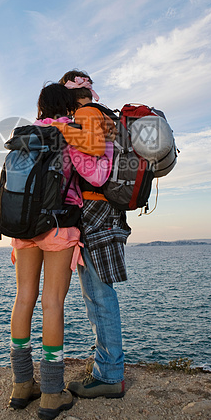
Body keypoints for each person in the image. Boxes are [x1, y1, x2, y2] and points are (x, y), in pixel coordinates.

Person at [9, 83, 113, 420]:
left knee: (24, 298)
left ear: (40, 106)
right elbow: (94, 175)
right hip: (58, 225)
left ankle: (22, 386)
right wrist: (104, 139)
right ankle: (52, 394)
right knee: (53, 303)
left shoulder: (25, 133)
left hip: (22, 225)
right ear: (67, 106)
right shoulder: (70, 132)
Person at [58, 70, 131, 399]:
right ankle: (107, 367)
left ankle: (110, 375)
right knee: (98, 293)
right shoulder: (104, 115)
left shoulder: (87, 116)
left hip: (96, 210)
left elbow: (94, 170)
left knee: (98, 294)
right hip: (108, 211)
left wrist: (62, 131)